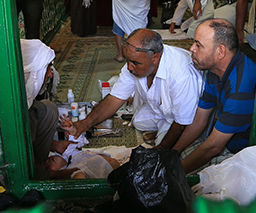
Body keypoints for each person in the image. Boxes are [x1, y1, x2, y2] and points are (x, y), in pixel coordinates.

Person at [62, 28, 202, 148]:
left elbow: (181, 123)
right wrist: (83, 124)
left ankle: (162, 133)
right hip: (162, 111)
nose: (129, 67)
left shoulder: (182, 74)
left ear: (155, 58)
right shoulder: (137, 62)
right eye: (127, 60)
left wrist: (161, 149)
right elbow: (115, 98)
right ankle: (161, 128)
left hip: (182, 119)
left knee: (164, 148)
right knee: (138, 121)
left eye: (135, 63)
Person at [172, 19, 256, 174]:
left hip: (239, 154)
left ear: (220, 51)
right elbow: (199, 120)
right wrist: (173, 153)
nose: (191, 48)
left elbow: (214, 147)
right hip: (222, 141)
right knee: (176, 157)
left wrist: (174, 172)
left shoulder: (240, 87)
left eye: (198, 45)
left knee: (182, 175)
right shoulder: (215, 70)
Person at [20, 39, 69, 177]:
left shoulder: (26, 93)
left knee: (48, 108)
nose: (50, 74)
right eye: (46, 69)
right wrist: (68, 174)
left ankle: (39, 163)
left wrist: (55, 145)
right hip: (17, 158)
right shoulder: (16, 107)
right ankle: (36, 174)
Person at [42, 150, 122, 179]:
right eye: (47, 168)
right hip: (118, 175)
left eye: (45, 160)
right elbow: (79, 180)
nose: (47, 162)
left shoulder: (70, 155)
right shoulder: (72, 171)